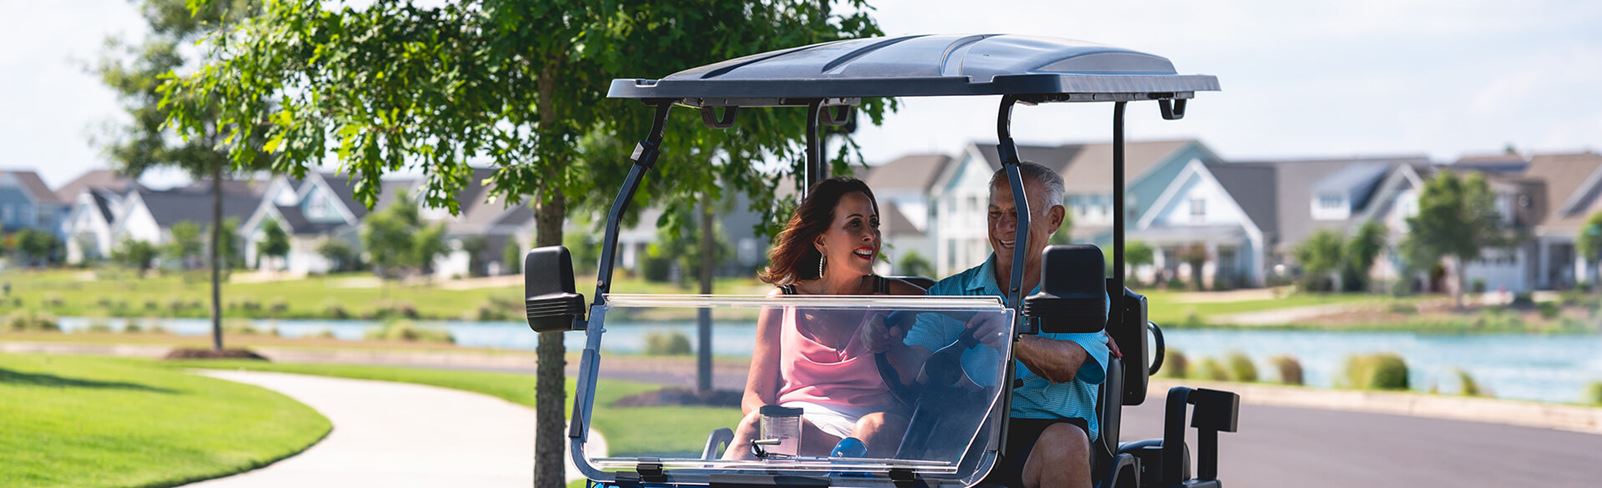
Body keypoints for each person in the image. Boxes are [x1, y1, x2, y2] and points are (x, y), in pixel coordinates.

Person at [863, 162, 1111, 488]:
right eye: (995, 214)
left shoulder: (1077, 292)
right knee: (878, 428)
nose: (1004, 227)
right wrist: (887, 342)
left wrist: (1009, 336)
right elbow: (914, 369)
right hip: (964, 429)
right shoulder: (953, 293)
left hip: (1044, 431)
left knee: (1067, 443)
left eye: (1018, 215)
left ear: (1055, 219)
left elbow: (1067, 364)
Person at [726, 177, 925, 460]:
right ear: (821, 240)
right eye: (855, 224)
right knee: (753, 427)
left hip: (870, 436)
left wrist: (896, 345)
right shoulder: (782, 303)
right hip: (795, 431)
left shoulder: (899, 298)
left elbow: (952, 334)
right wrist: (784, 425)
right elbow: (754, 398)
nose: (870, 235)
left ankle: (842, 462)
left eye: (873, 224)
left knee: (877, 427)